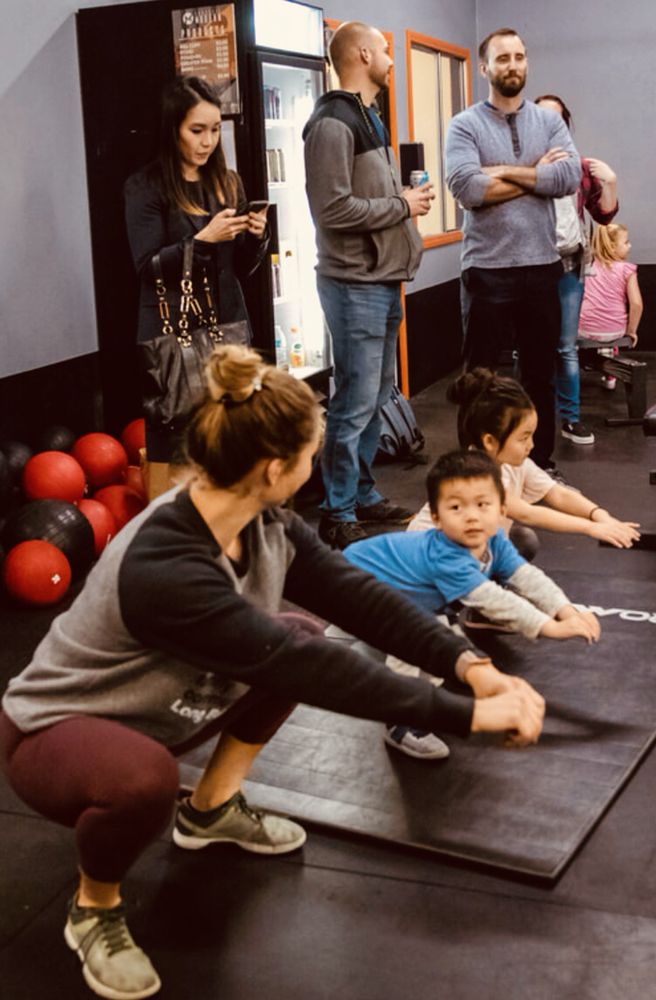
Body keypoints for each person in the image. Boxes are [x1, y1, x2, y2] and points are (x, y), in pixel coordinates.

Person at [0, 345, 545, 1000]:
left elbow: (358, 598)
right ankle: (94, 907)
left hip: (161, 709)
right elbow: (305, 669)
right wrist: (465, 713)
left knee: (300, 630)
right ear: (275, 468)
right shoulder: (166, 565)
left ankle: (211, 810)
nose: (317, 464)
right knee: (148, 779)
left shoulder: (265, 525)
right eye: (312, 454)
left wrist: (468, 665)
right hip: (55, 733)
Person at [344, 449, 598, 759]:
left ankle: (433, 684)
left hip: (411, 593)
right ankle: (400, 722)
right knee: (411, 641)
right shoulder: (447, 556)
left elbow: (527, 576)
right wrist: (550, 627)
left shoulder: (494, 541)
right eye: (456, 507)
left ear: (501, 508)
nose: (472, 516)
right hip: (357, 589)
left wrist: (566, 610)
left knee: (437, 634)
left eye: (482, 504)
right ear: (436, 517)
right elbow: (493, 599)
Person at [303, 20, 433, 550]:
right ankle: (336, 510)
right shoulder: (332, 123)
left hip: (381, 279)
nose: (390, 59)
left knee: (376, 396)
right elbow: (332, 209)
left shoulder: (368, 116)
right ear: (362, 53)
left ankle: (360, 491)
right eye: (384, 50)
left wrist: (400, 203)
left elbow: (366, 199)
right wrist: (402, 204)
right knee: (355, 401)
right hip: (353, 283)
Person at [124, 75, 269, 499]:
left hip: (228, 327)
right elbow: (146, 268)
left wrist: (256, 236)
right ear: (173, 129)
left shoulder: (228, 183)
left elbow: (240, 269)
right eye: (197, 130)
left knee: (235, 443)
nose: (208, 142)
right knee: (178, 455)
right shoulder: (145, 186)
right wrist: (202, 241)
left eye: (215, 129)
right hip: (173, 338)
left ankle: (234, 529)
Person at [445, 27, 581, 472]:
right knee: (480, 379)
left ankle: (539, 466)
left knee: (539, 377)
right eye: (503, 58)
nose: (513, 65)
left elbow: (567, 178)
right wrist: (535, 173)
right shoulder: (465, 125)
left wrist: (501, 171)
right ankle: (475, 471)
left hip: (543, 266)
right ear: (484, 68)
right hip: (487, 269)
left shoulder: (549, 123)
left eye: (519, 57)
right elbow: (468, 189)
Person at [409, 369, 640, 551]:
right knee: (515, 542)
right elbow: (527, 513)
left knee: (522, 540)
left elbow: (558, 494)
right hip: (424, 562)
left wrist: (601, 515)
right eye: (523, 438)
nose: (531, 445)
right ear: (490, 441)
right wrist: (592, 528)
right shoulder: (474, 476)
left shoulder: (513, 464)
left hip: (463, 555)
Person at [534, 94, 619, 445]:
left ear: (565, 124)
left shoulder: (580, 168)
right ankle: (527, 421)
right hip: (530, 266)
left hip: (569, 266)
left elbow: (604, 216)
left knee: (566, 347)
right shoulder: (523, 165)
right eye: (540, 117)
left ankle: (570, 419)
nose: (548, 125)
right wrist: (535, 171)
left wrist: (610, 182)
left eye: (555, 119)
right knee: (529, 346)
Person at [578, 223, 643, 389]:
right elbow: (636, 304)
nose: (630, 245)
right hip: (614, 331)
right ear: (612, 247)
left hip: (584, 330)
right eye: (626, 242)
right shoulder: (627, 269)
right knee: (610, 335)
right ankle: (610, 377)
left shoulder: (587, 268)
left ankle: (580, 364)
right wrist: (631, 331)